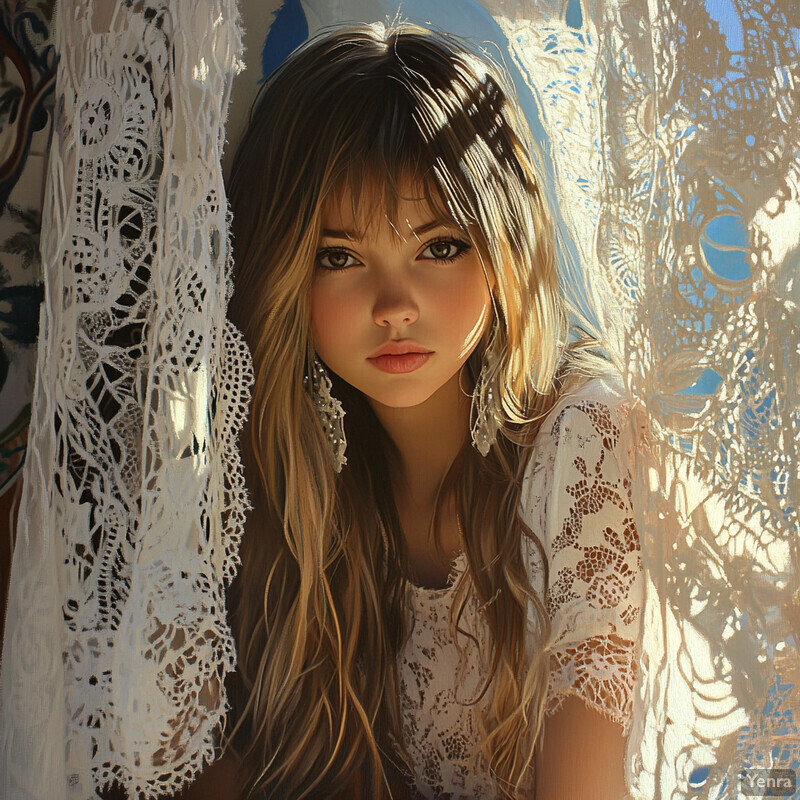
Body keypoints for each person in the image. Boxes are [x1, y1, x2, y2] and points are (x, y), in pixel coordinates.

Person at [207, 19, 644, 800]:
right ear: (284, 275)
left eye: (438, 245)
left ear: (503, 243)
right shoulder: (306, 490)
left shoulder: (582, 440)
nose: (395, 306)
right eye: (339, 257)